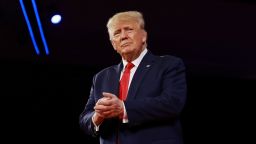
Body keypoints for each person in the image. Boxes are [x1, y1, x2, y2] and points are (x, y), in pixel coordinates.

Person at [79, 11, 187, 144]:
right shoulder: (101, 77)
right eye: (117, 33)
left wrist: (124, 108)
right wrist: (97, 117)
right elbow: (85, 118)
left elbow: (172, 103)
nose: (123, 36)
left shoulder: (169, 65)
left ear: (143, 36)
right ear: (114, 44)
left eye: (129, 30)